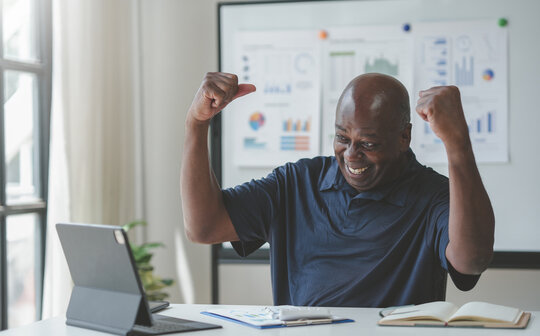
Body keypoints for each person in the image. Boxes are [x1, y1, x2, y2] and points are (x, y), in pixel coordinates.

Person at [181, 71, 494, 307]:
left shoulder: (433, 195)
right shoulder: (296, 182)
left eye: (368, 144)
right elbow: (204, 227)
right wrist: (197, 124)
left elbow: (471, 261)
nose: (351, 154)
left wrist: (457, 143)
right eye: (342, 137)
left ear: (404, 138)